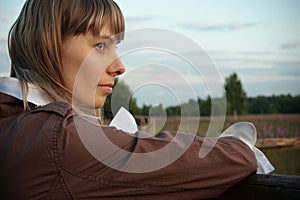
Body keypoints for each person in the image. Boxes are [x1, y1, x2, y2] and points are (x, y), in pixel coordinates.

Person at [0, 0, 258, 199]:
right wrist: (239, 145)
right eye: (100, 45)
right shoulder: (57, 138)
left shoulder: (17, 125)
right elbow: (233, 160)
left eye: (116, 47)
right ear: (49, 45)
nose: (120, 66)